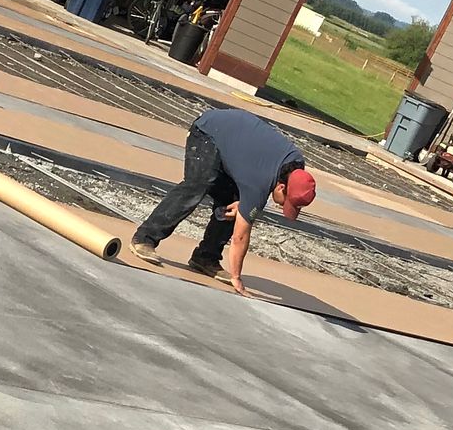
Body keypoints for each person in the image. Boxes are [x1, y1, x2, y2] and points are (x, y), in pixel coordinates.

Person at [130, 106, 318, 293]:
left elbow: (258, 177)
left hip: (234, 143)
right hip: (210, 131)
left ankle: (206, 257)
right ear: (281, 187)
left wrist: (246, 205)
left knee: (233, 203)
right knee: (198, 185)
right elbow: (240, 236)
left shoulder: (296, 166)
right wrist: (237, 277)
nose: (280, 205)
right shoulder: (259, 183)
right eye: (284, 202)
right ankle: (144, 238)